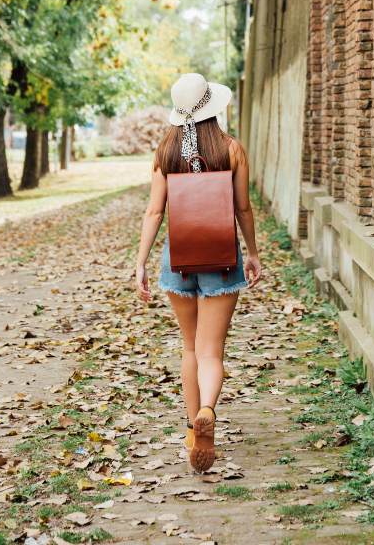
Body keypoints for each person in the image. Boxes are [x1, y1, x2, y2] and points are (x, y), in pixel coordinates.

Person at [134, 73, 262, 472]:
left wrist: (139, 263)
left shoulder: (165, 152)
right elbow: (243, 208)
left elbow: (155, 211)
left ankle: (193, 430)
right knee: (211, 351)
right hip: (222, 258)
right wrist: (253, 253)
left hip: (178, 258)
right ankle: (208, 408)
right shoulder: (231, 149)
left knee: (189, 348)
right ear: (213, 107)